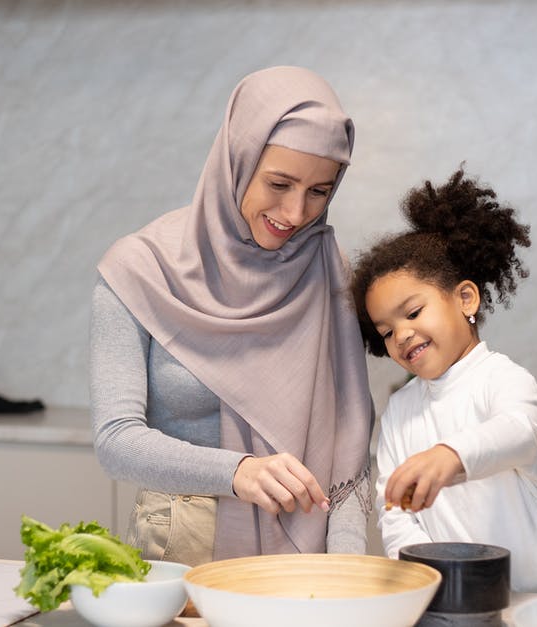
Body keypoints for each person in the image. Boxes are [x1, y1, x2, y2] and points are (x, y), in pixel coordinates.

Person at [90, 66, 374, 566]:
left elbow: (350, 448)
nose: (295, 212)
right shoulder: (141, 268)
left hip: (303, 559)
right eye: (279, 183)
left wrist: (344, 568)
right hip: (179, 546)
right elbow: (116, 440)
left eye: (319, 191)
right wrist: (237, 471)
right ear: (236, 160)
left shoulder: (325, 270)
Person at [349, 168, 537, 593]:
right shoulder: (400, 411)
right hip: (449, 600)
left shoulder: (504, 378)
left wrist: (450, 455)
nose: (400, 335)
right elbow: (395, 515)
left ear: (465, 298)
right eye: (385, 331)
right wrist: (429, 576)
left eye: (413, 313)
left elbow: (519, 433)